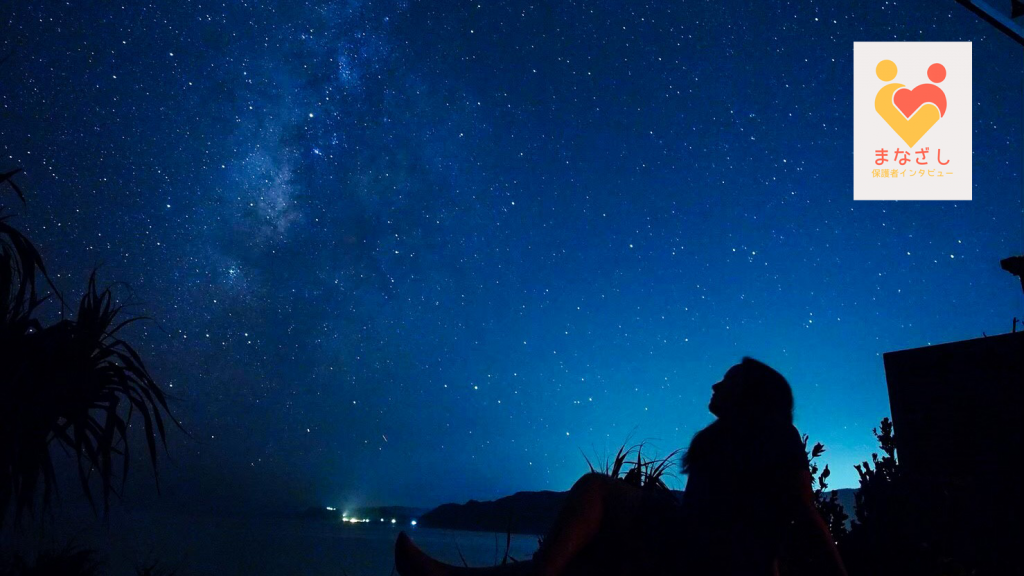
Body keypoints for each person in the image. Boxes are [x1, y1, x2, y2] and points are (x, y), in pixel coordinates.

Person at [395, 358, 847, 576]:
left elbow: (801, 516)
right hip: (688, 539)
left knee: (596, 493)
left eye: (727, 379)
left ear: (749, 395)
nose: (714, 382)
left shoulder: (774, 439)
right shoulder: (719, 442)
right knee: (583, 534)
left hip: (706, 556)